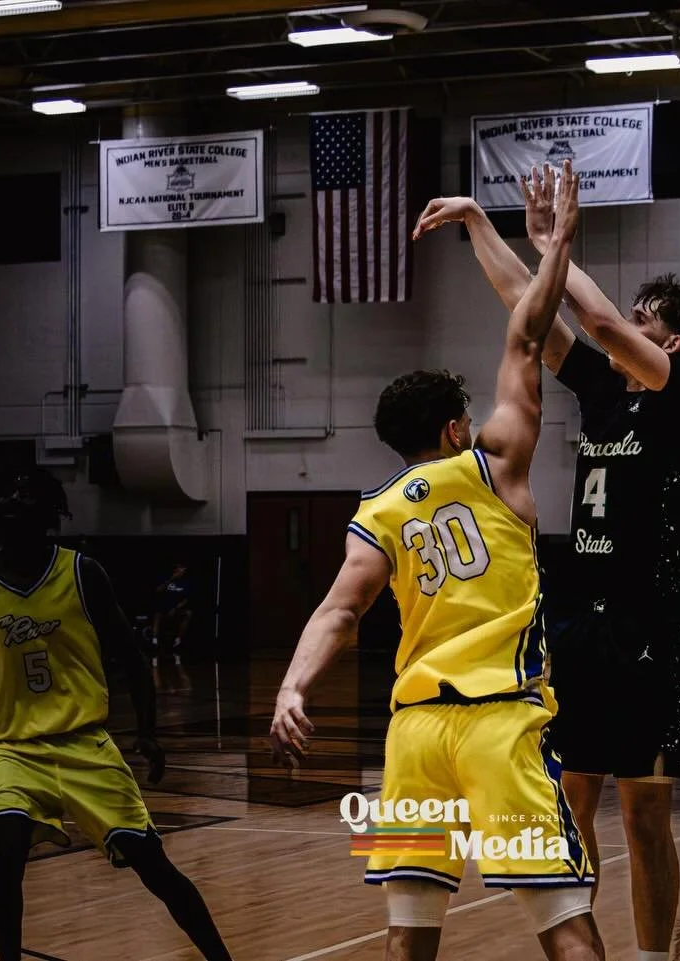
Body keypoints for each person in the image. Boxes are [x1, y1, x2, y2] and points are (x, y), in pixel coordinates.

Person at [272, 162, 602, 961]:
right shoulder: (495, 463)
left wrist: (292, 685)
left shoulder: (378, 511)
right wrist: (555, 244)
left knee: (408, 935)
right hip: (500, 723)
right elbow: (528, 334)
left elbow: (339, 611)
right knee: (564, 921)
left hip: (414, 733)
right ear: (456, 428)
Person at [413, 177, 680, 961]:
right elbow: (530, 306)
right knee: (570, 805)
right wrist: (479, 223)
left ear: (668, 345)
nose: (628, 325)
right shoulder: (601, 390)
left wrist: (559, 246)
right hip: (581, 626)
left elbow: (601, 320)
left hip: (649, 629)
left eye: (647, 321)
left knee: (644, 816)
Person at [0, 468, 233, 961]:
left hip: (85, 745)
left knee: (155, 868)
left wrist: (147, 732)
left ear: (49, 515)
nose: (11, 502)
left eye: (23, 497)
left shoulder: (81, 573)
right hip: (13, 750)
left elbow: (133, 657)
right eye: (6, 494)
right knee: (3, 857)